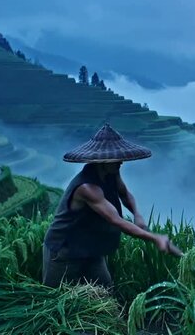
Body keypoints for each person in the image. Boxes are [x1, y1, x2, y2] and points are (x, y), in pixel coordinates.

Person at [42, 123, 183, 289]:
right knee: (55, 294)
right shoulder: (87, 188)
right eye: (116, 159)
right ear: (102, 161)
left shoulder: (111, 173)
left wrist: (137, 214)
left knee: (105, 288)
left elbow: (124, 194)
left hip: (91, 246)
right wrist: (155, 238)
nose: (121, 162)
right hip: (64, 250)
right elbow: (116, 220)